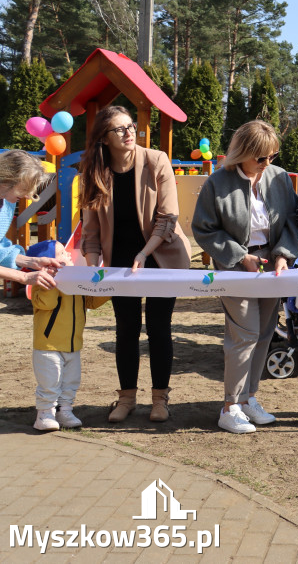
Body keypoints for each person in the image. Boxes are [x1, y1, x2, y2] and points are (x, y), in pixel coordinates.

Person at [80, 106, 193, 424]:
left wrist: (144, 254)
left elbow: (167, 219)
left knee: (159, 328)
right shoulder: (92, 172)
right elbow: (90, 234)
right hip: (119, 264)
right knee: (126, 329)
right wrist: (93, 269)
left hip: (160, 257)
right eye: (119, 129)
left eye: (130, 126)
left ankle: (160, 400)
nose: (129, 132)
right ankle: (126, 398)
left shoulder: (156, 160)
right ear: (104, 138)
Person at [192, 120, 298, 434]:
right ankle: (230, 407)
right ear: (241, 153)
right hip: (235, 267)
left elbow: (293, 221)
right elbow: (203, 229)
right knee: (245, 335)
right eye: (261, 158)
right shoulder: (217, 182)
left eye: (272, 157)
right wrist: (240, 257)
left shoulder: (279, 178)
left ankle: (249, 398)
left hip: (271, 264)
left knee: (265, 332)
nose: (267, 164)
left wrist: (282, 254)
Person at [28, 240, 109, 431]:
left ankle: (65, 410)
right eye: (62, 253)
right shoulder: (42, 284)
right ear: (47, 262)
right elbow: (46, 304)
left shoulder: (76, 280)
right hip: (48, 346)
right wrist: (53, 281)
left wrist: (108, 289)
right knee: (50, 381)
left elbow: (90, 301)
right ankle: (45, 413)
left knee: (71, 381)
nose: (69, 255)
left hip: (73, 344)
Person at [0, 150, 62, 291]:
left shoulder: (7, 201)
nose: (28, 196)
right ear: (8, 179)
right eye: (25, 188)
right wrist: (24, 277)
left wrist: (32, 262)